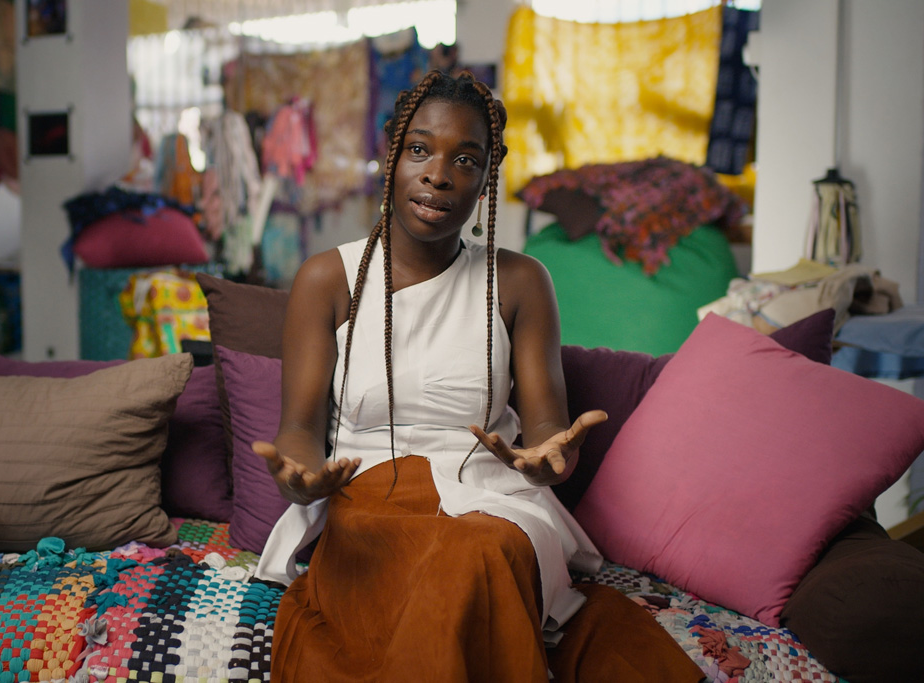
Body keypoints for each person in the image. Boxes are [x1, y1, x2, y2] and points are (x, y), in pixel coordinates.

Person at [253, 70, 704, 682]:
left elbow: (547, 428)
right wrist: (302, 479)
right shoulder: (327, 280)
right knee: (418, 563)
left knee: (477, 554)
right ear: (391, 155)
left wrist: (551, 459)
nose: (438, 173)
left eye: (465, 159)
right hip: (371, 504)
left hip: (496, 505)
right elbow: (299, 429)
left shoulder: (520, 281)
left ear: (486, 180)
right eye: (419, 149)